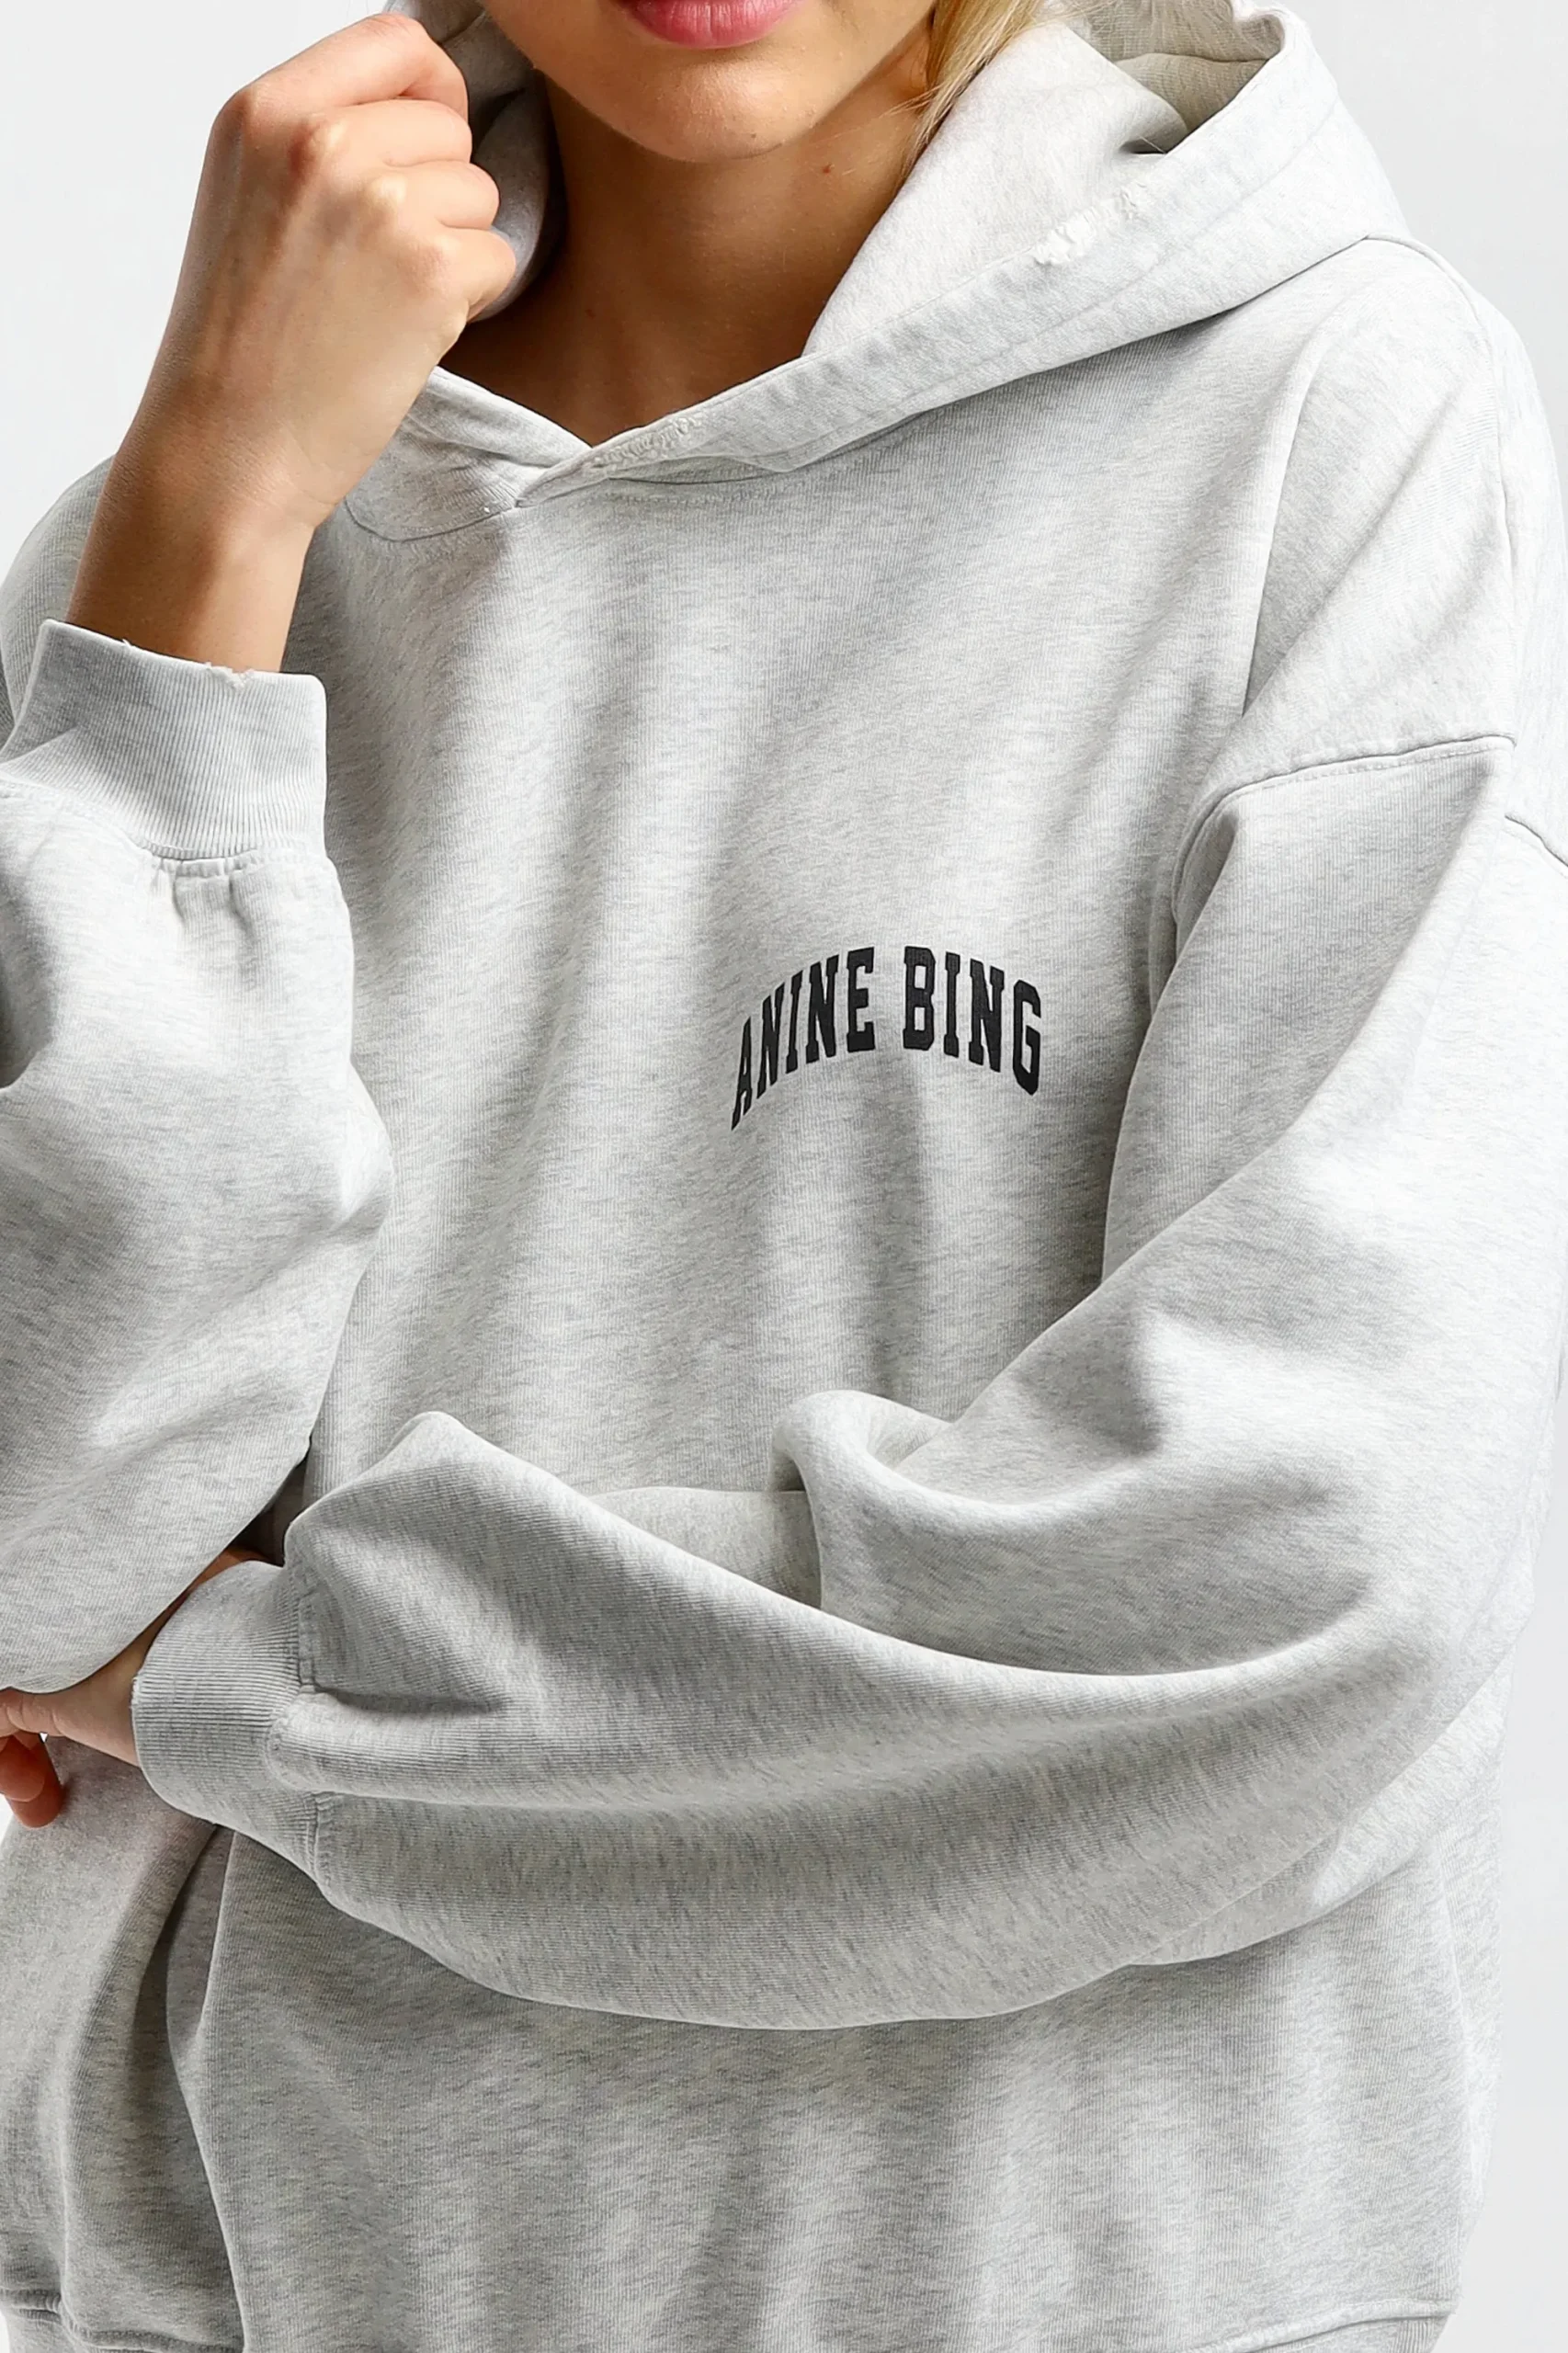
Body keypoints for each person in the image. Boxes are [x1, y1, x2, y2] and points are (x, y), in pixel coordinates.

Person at [0, 0, 1563, 2346]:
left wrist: (245, 1673)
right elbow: (39, 1533)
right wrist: (204, 521)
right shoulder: (177, 550)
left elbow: (1287, 1588)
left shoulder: (1320, 428)